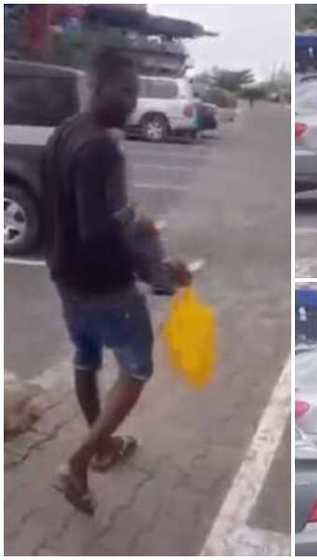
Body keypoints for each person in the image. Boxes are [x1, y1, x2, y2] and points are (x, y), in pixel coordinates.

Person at [41, 49, 192, 515]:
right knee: (136, 370)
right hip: (104, 286)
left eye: (134, 90)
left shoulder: (64, 132)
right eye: (123, 90)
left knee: (86, 359)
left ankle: (101, 447)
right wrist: (152, 259)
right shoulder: (99, 147)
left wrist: (127, 219)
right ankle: (79, 460)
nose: (130, 100)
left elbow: (66, 212)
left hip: (65, 277)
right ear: (95, 85)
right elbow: (98, 229)